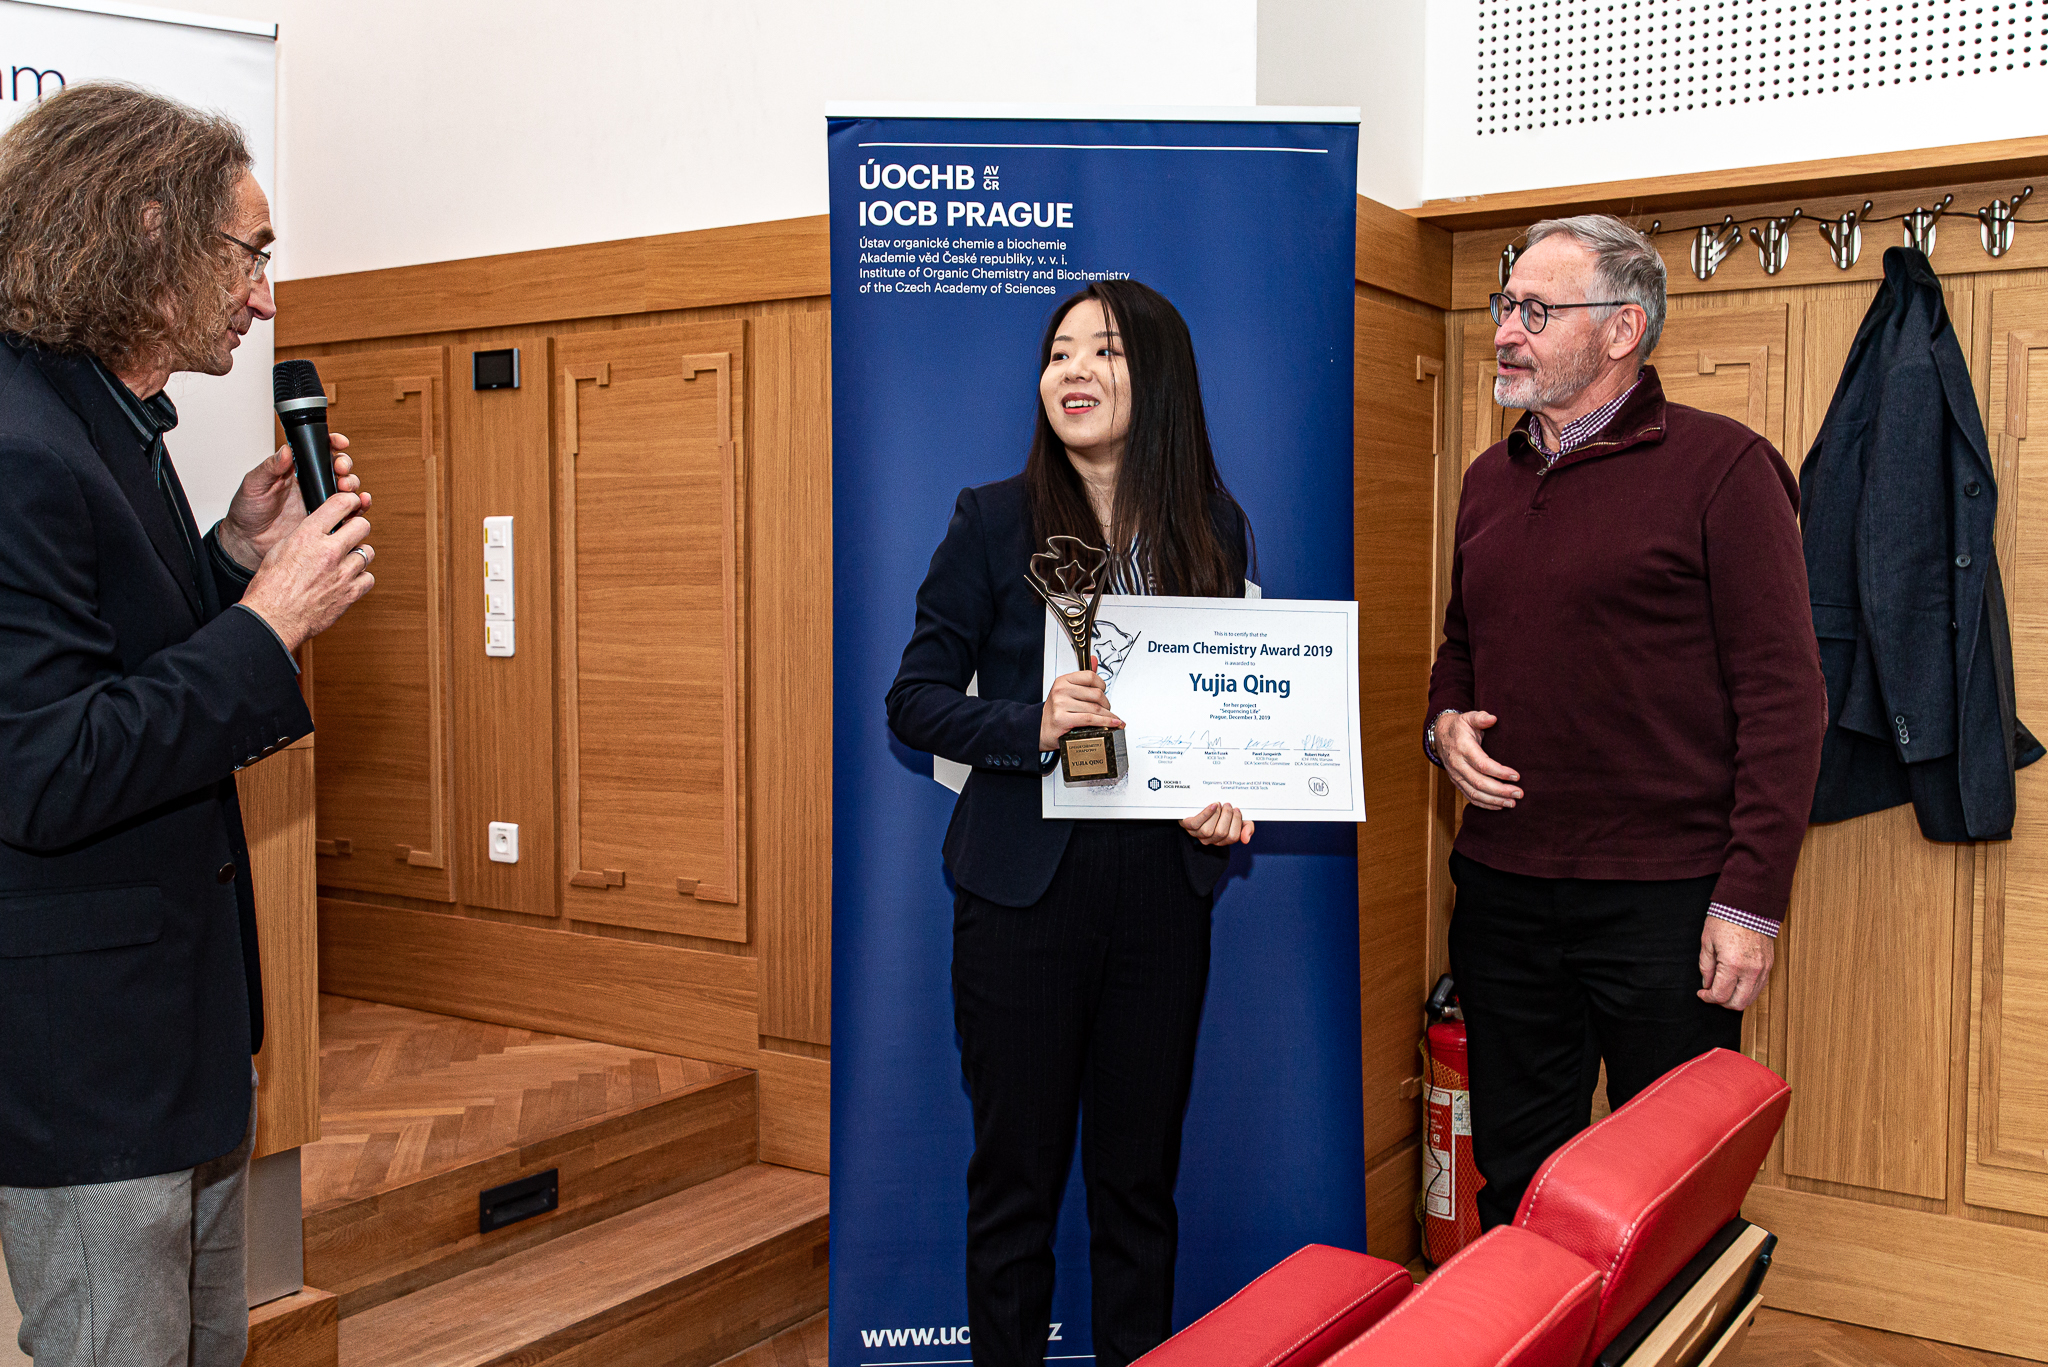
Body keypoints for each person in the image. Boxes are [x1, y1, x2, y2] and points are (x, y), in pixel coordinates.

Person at [0, 83, 374, 1365]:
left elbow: (121, 665)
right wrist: (266, 622)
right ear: (146, 230)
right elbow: (45, 769)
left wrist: (226, 558)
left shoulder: (106, 418)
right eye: (252, 254)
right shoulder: (19, 442)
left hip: (182, 1035)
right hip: (91, 1067)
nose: (266, 295)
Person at [1424, 215, 1826, 1229]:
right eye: (1503, 305)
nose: (1506, 329)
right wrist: (1443, 726)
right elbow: (1459, 646)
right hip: (1504, 890)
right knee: (1518, 1170)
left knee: (1669, 1184)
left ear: (1619, 329)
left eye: (1533, 309)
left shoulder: (1723, 467)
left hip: (1665, 903)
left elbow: (1785, 696)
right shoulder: (1485, 477)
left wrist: (1750, 900)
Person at [886, 279, 1255, 1367]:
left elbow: (1229, 696)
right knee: (1015, 1187)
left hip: (1159, 892)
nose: (1073, 372)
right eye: (1057, 353)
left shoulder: (1211, 526)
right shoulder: (990, 516)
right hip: (1020, 894)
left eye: (1103, 351)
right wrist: (1028, 722)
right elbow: (911, 699)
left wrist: (1228, 793)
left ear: (1162, 376)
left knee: (1137, 1186)